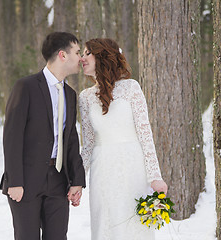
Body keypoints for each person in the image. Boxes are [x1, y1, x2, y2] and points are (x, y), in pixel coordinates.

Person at [0, 32, 86, 240]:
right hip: (26, 182)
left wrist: (77, 180)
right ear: (62, 55)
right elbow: (12, 136)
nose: (81, 58)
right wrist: (15, 181)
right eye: (77, 52)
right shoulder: (26, 87)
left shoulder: (70, 95)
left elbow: (71, 140)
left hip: (58, 181)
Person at [79, 38, 168, 239]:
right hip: (102, 171)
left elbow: (145, 134)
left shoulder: (131, 87)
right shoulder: (85, 97)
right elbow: (89, 144)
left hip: (132, 168)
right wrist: (78, 180)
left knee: (133, 225)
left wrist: (155, 176)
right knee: (105, 225)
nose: (81, 58)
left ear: (102, 56)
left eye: (86, 53)